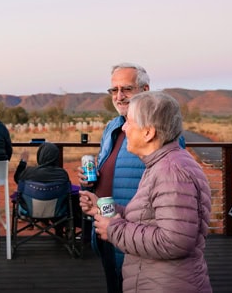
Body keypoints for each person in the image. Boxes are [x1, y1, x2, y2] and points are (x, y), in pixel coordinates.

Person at [81, 91, 212, 292]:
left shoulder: (170, 172)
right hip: (158, 279)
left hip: (167, 284)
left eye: (130, 123)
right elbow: (147, 217)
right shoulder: (162, 164)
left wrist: (113, 229)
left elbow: (173, 242)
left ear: (148, 133)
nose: (124, 127)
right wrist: (101, 208)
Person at [76, 63, 186, 293]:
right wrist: (90, 182)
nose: (119, 96)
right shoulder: (112, 127)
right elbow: (107, 167)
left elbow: (171, 183)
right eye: (113, 90)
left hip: (139, 235)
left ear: (145, 89)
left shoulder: (159, 131)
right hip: (107, 225)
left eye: (126, 89)